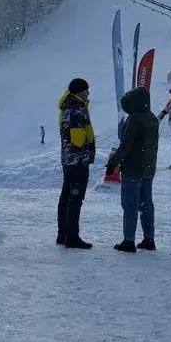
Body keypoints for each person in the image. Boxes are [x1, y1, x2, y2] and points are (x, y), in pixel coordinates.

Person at [106, 87, 159, 252]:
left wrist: (113, 162)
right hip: (148, 168)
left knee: (130, 203)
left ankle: (128, 240)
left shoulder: (135, 119)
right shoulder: (152, 118)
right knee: (146, 203)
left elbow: (126, 145)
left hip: (133, 168)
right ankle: (149, 238)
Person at [57, 77, 95, 248]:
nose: (88, 93)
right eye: (86, 90)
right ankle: (72, 237)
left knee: (66, 196)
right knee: (75, 198)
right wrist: (89, 142)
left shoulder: (66, 107)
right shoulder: (77, 110)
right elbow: (78, 139)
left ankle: (62, 233)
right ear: (80, 92)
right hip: (78, 160)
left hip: (67, 158)